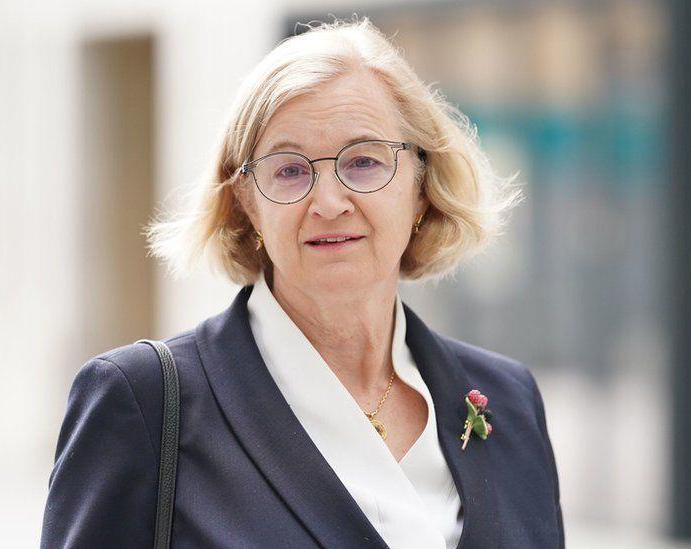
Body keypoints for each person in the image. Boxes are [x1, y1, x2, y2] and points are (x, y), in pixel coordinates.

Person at [40, 17, 563, 549]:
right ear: (247, 202)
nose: (330, 203)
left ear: (421, 188)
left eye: (363, 162)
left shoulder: (509, 400)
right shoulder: (143, 402)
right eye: (289, 170)